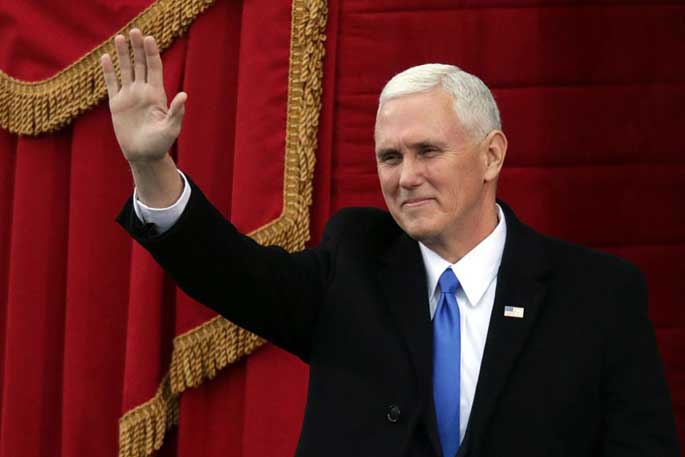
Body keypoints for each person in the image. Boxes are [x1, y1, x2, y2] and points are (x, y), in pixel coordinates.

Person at [102, 29, 680, 457]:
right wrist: (152, 168)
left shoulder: (599, 294)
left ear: (492, 154)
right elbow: (229, 272)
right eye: (389, 157)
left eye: (427, 152)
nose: (405, 177)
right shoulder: (353, 261)